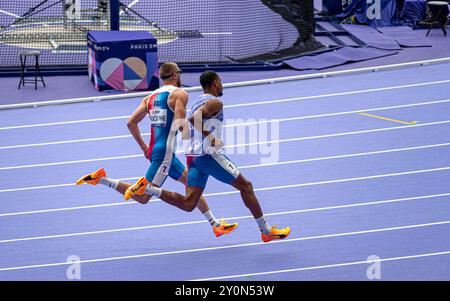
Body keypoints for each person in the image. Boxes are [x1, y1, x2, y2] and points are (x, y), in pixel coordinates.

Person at [125, 70, 291, 243]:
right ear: (215, 83)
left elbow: (191, 118)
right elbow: (193, 119)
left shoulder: (198, 100)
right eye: (220, 81)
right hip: (208, 156)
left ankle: (149, 188)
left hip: (193, 156)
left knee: (189, 203)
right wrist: (211, 138)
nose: (221, 84)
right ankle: (266, 230)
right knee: (246, 186)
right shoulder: (215, 102)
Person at [76, 62, 238, 238]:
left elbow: (131, 123)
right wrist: (193, 143)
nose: (181, 77)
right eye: (179, 74)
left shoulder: (150, 98)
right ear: (175, 76)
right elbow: (180, 122)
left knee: (189, 183)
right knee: (143, 197)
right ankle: (102, 179)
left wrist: (145, 148)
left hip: (156, 149)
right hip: (166, 154)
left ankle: (215, 224)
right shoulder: (179, 94)